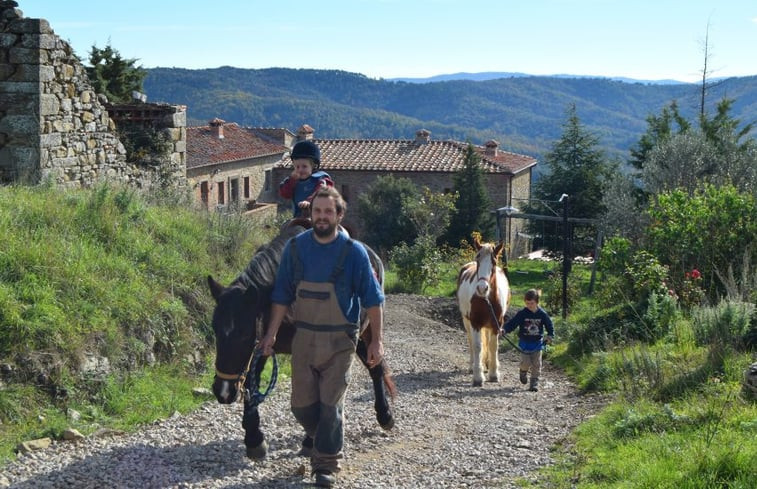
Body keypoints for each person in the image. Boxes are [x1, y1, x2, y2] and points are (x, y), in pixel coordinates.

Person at [259, 186, 384, 488]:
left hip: (341, 340)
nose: (322, 217)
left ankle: (326, 464)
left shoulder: (353, 252)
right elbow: (281, 296)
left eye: (329, 211)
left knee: (330, 403)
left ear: (340, 215)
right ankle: (326, 435)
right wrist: (271, 334)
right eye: (317, 211)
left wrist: (377, 340)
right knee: (301, 406)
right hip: (305, 337)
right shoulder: (296, 248)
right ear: (311, 214)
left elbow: (373, 299)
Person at [500, 288, 554, 392]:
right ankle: (523, 371)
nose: (529, 305)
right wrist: (504, 329)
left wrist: (550, 335)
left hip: (538, 343)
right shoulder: (522, 313)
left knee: (537, 364)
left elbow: (549, 325)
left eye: (532, 303)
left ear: (537, 302)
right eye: (527, 303)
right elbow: (513, 323)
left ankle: (534, 383)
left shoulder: (542, 314)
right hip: (524, 343)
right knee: (525, 363)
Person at [279, 140, 334, 218]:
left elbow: (321, 192)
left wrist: (309, 201)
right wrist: (291, 181)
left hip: (319, 218)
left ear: (313, 166)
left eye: (304, 166)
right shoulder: (292, 181)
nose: (300, 170)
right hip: (298, 217)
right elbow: (285, 194)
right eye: (297, 167)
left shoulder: (321, 179)